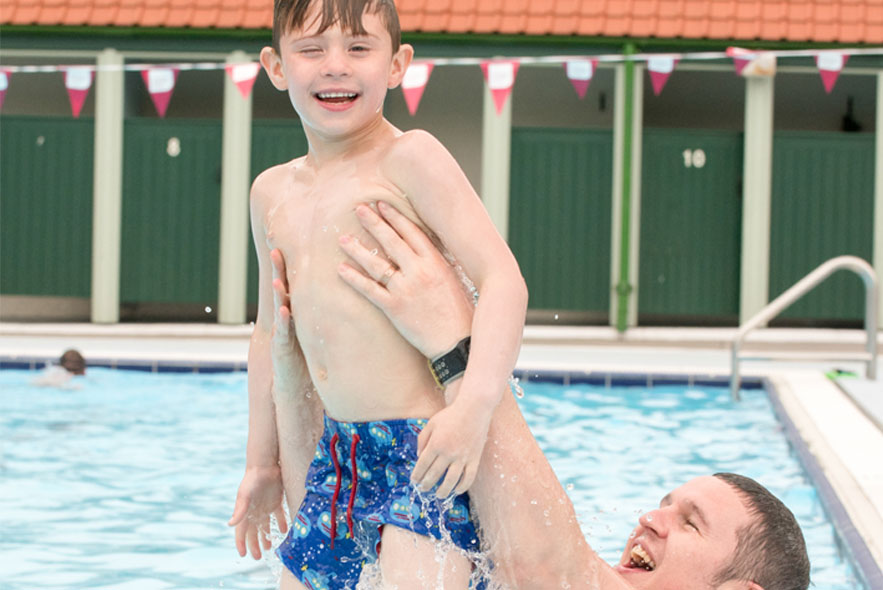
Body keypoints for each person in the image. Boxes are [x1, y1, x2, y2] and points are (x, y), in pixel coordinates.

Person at [266, 201, 811, 590]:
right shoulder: (496, 558)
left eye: (690, 523)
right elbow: (335, 537)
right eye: (666, 503)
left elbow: (552, 576)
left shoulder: (557, 572)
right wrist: (292, 385)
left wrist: (453, 337)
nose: (650, 518)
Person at [228, 0, 528, 587]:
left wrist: (473, 408)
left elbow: (504, 281)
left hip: (425, 448)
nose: (335, 66)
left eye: (359, 48)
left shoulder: (409, 157)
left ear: (397, 64)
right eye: (311, 49)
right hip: (335, 458)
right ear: (276, 66)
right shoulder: (270, 193)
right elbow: (269, 333)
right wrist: (260, 462)